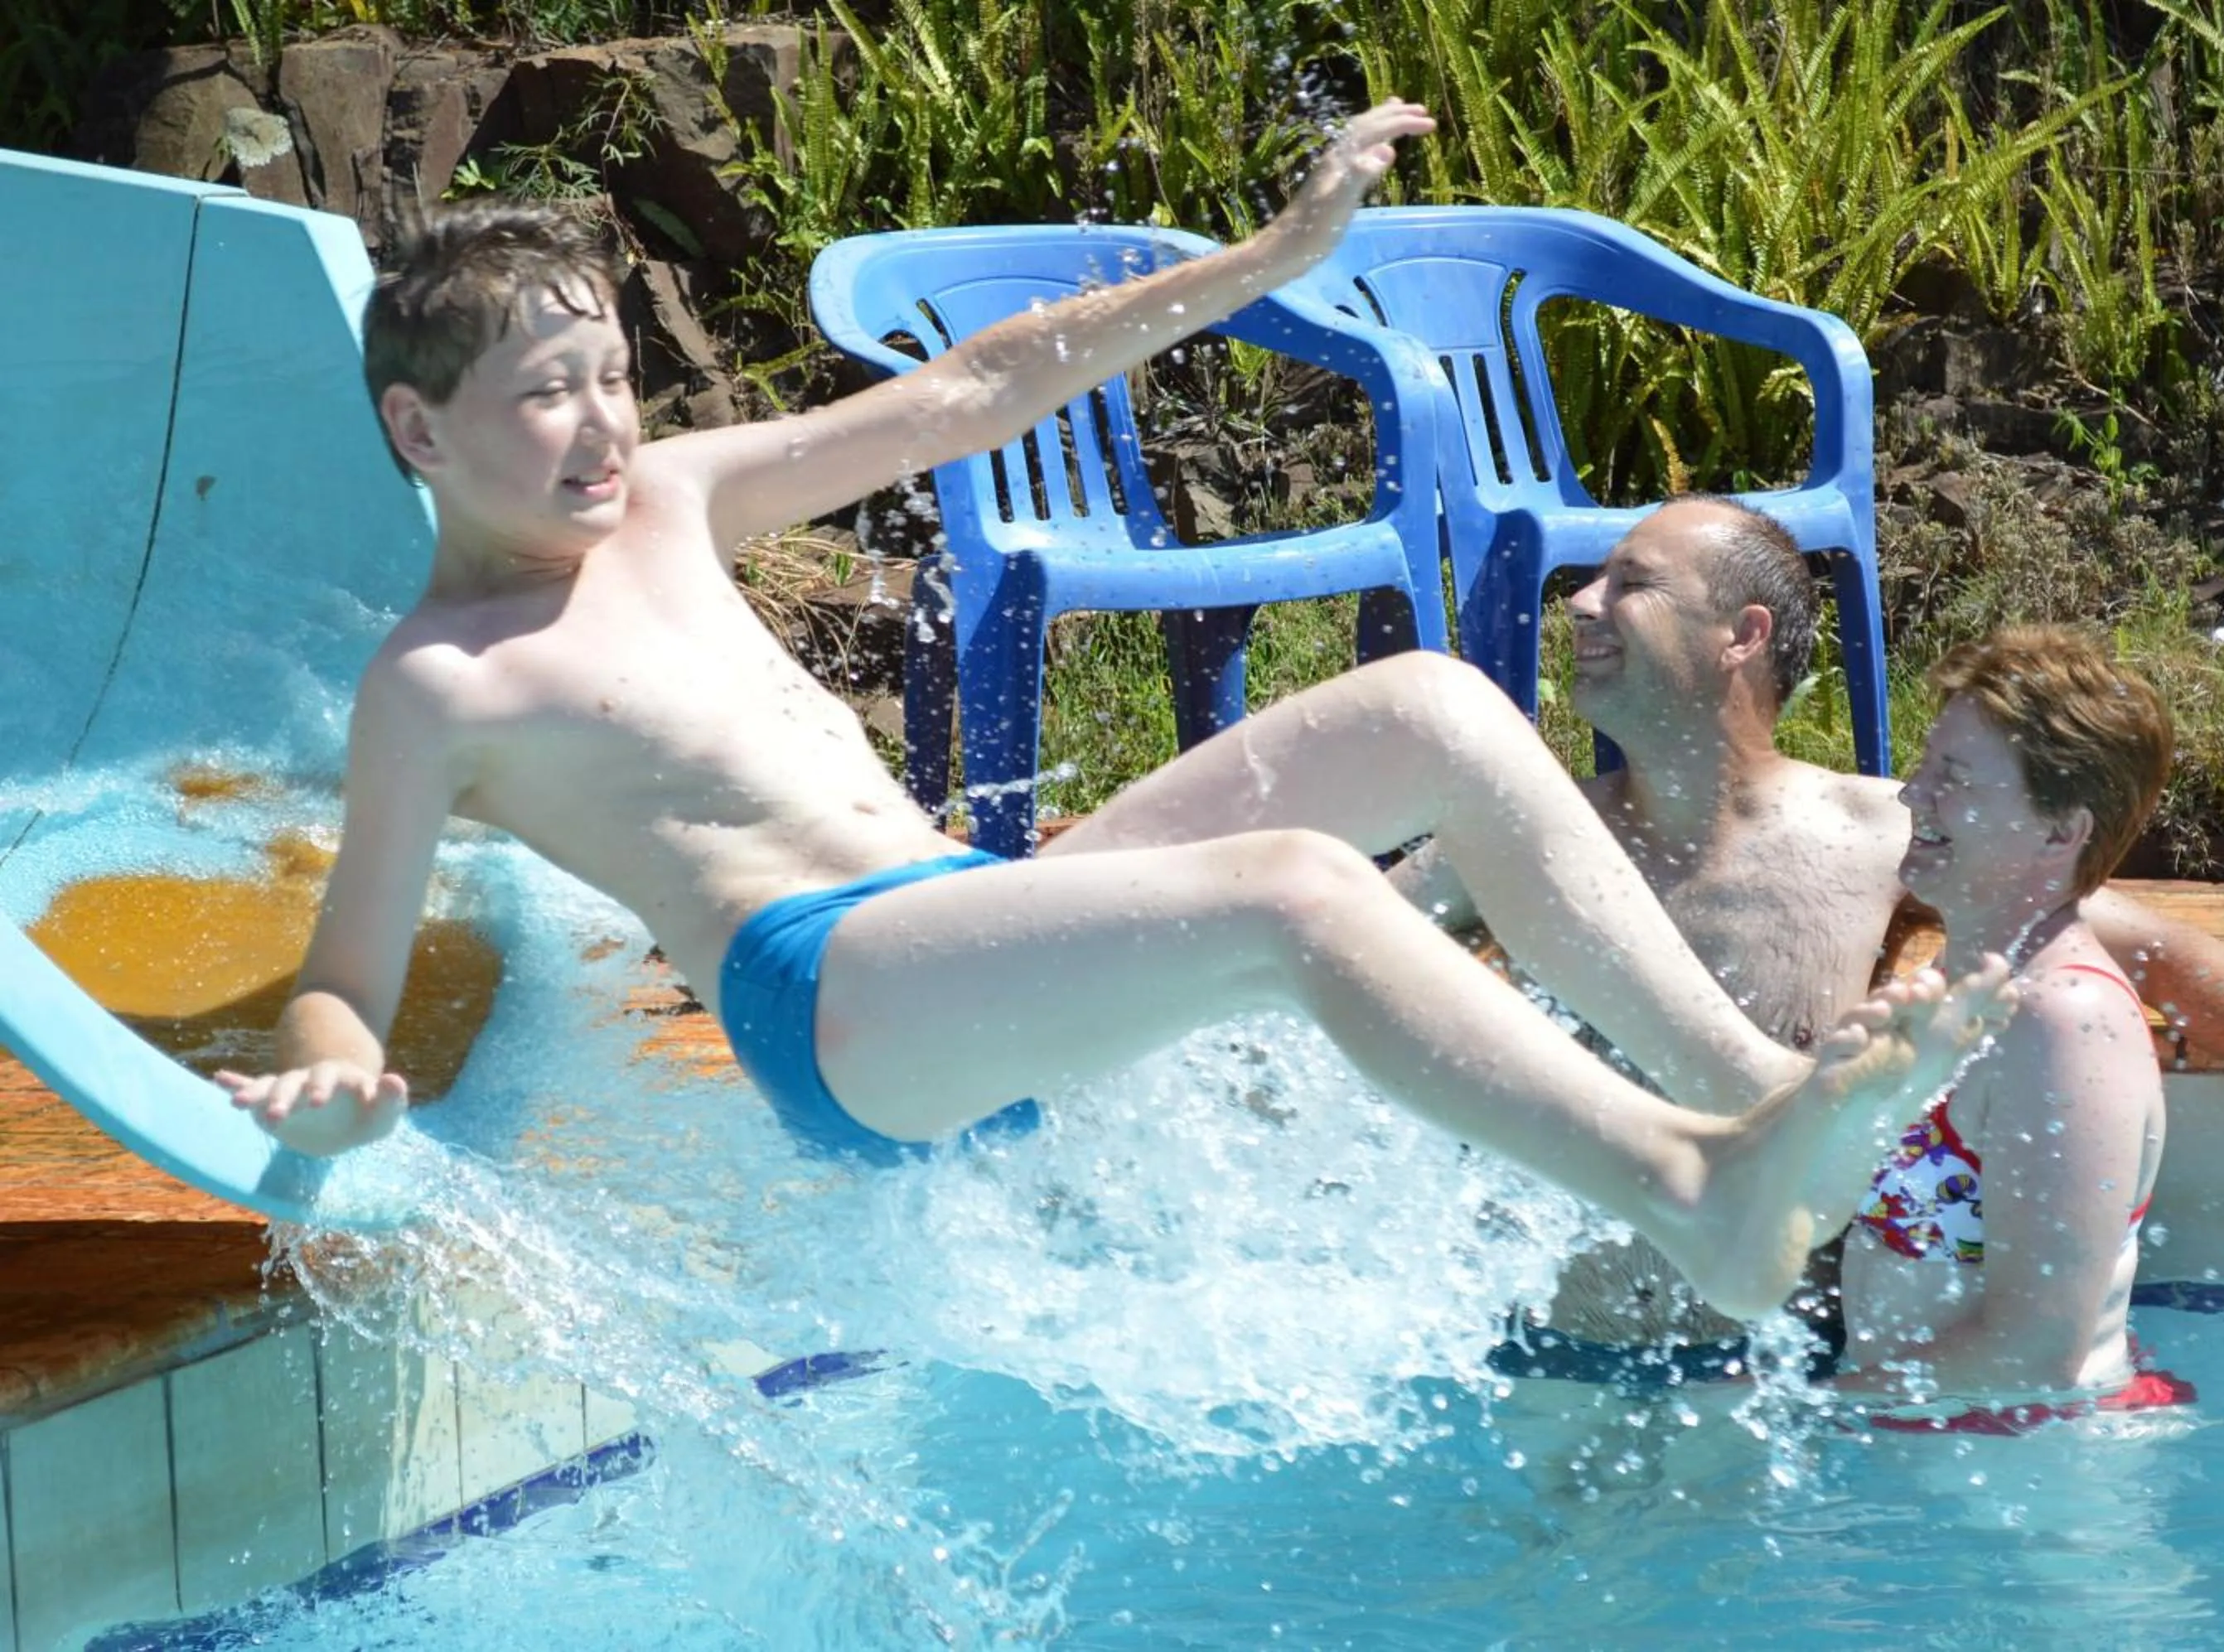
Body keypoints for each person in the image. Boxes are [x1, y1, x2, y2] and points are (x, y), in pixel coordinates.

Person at [212, 102, 2014, 1325]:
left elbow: (977, 388)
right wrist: (323, 1062)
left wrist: (1269, 255)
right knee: (1300, 889)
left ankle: (1769, 1106)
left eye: (611, 374)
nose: (606, 424)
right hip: (844, 1015)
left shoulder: (673, 501)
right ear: (421, 433)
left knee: (1439, 709)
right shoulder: (439, 683)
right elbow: (344, 968)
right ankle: (1687, 1192)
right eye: (547, 395)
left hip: (960, 926)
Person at [1405, 496, 2224, 1339]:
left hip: (1772, 1376)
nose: (1581, 604)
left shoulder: (1876, 828)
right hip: (1544, 1356)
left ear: (1741, 637)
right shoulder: (1512, 831)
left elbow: (2150, 947)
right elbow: (1305, 967)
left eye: (1631, 582)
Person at [1836, 626, 2190, 1424]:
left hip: (2031, 1489)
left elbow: (2035, 1354)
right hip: (1940, 1461)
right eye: (1926, 766)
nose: (1910, 794)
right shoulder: (1959, 981)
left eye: (1953, 777)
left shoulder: (2065, 1024)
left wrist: (1792, 1407)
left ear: (2062, 830)